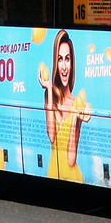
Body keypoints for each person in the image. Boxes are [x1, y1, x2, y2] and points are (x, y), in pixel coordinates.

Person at [40, 30, 90, 182]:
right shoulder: (51, 97)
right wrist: (48, 88)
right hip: (53, 171)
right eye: (60, 59)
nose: (63, 67)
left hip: (73, 176)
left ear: (72, 63)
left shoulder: (77, 104)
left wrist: (75, 115)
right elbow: (52, 136)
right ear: (55, 62)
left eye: (67, 59)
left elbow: (71, 160)